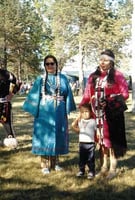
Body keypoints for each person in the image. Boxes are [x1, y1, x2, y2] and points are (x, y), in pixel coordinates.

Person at [80, 49, 129, 180]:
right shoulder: (93, 76)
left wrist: (109, 100)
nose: (102, 62)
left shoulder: (117, 75)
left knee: (111, 141)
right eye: (101, 59)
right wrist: (82, 108)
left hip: (112, 114)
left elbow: (125, 94)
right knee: (101, 141)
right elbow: (86, 94)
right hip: (97, 114)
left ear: (111, 62)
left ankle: (112, 169)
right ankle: (103, 167)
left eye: (106, 60)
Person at [23, 55, 76, 175]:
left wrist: (67, 108)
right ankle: (44, 164)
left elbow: (68, 94)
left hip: (59, 111)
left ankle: (56, 162)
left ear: (56, 64)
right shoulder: (40, 79)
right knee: (45, 136)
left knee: (58, 134)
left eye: (52, 63)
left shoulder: (62, 78)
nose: (50, 66)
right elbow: (34, 95)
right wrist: (34, 109)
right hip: (44, 112)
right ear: (44, 66)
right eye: (47, 64)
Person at [71, 103, 96, 179]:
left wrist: (97, 141)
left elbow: (97, 131)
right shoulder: (80, 121)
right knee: (82, 159)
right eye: (82, 112)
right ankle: (81, 170)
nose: (84, 114)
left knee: (90, 159)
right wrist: (78, 117)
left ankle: (91, 171)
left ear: (91, 112)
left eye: (86, 111)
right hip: (82, 143)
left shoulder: (93, 121)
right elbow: (73, 126)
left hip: (90, 143)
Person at [0, 65, 21, 148]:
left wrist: (12, 93)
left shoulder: (6, 74)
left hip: (4, 104)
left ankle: (12, 143)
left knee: (7, 124)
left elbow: (17, 83)